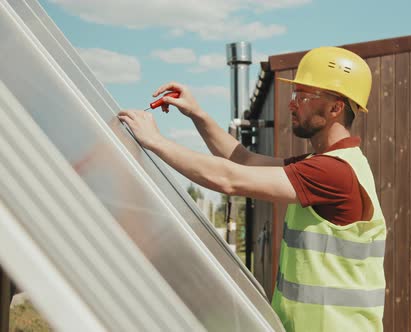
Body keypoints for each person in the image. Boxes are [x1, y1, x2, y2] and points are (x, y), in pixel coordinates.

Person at [118, 46, 386, 332]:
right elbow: (243, 159)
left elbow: (229, 179)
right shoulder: (325, 165)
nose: (292, 104)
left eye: (303, 96)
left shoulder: (333, 172)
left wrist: (156, 141)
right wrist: (198, 114)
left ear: (336, 108)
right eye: (294, 95)